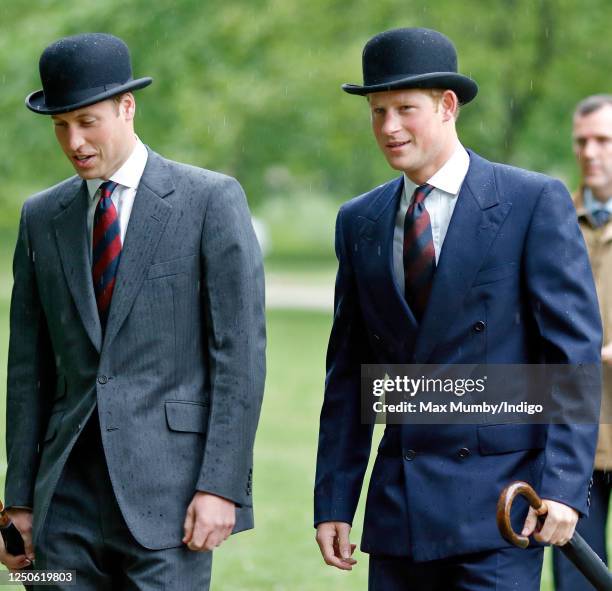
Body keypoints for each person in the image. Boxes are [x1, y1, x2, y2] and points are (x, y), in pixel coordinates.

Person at [314, 27, 602, 590]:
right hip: (399, 513)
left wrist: (565, 488)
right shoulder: (358, 221)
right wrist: (334, 499)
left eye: (404, 109)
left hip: (501, 511)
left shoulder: (531, 201)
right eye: (378, 111)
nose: (389, 127)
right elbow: (348, 375)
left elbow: (572, 353)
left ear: (448, 107)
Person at [0, 33, 265, 590]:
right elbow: (28, 369)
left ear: (127, 107)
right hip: (60, 506)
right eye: (59, 125)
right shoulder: (40, 216)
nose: (73, 141)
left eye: (87, 121)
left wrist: (221, 486)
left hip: (172, 506)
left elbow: (238, 356)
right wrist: (18, 501)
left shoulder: (209, 201)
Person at [552, 94, 612, 590]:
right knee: (576, 583)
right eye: (582, 141)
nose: (590, 152)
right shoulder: (551, 219)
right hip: (574, 442)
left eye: (603, 140)